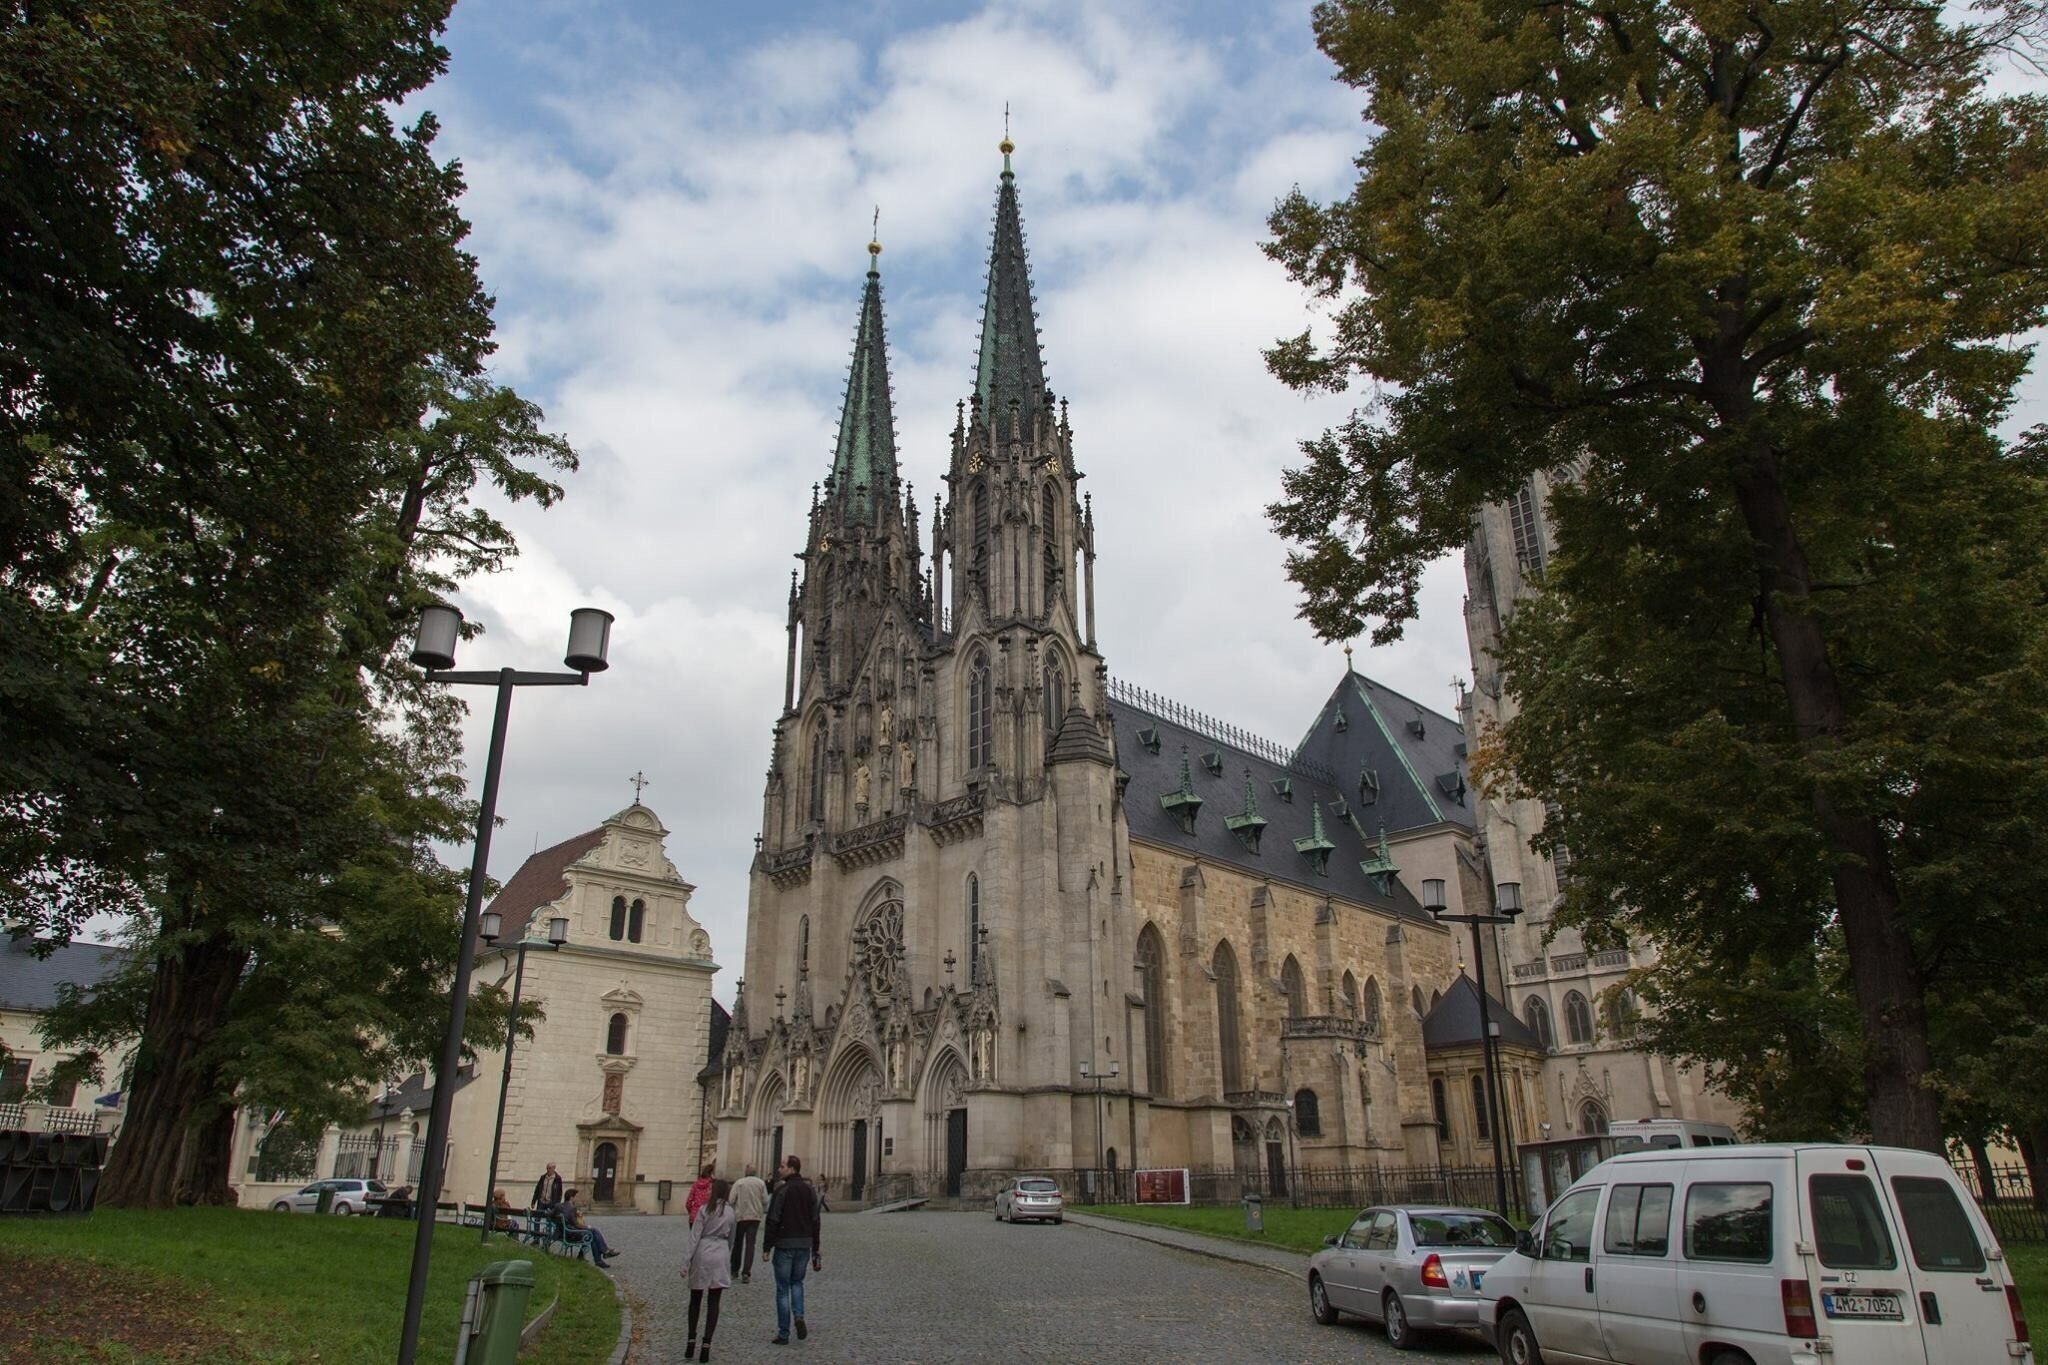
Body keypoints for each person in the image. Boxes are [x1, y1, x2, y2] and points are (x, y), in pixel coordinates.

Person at [762, 1155, 821, 1346]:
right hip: (804, 1243)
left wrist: (767, 1246)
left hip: (785, 1244)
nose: (779, 1169)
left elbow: (773, 1219)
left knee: (782, 1289)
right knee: (797, 1282)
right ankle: (799, 1315)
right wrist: (816, 1246)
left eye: (782, 1166)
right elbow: (815, 1219)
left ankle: (784, 1333)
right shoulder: (809, 1189)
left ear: (792, 1169)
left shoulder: (782, 1190)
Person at [681, 1178, 735, 1362]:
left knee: (695, 1299)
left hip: (703, 1252)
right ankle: (706, 1344)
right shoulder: (730, 1212)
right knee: (714, 1301)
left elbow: (694, 1237)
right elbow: (731, 1238)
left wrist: (685, 1262)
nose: (708, 1192)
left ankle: (690, 1341)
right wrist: (726, 1255)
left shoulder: (705, 1209)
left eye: (710, 1189)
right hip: (720, 1253)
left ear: (716, 1191)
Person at [560, 1188, 619, 1269]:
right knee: (593, 1231)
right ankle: (604, 1253)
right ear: (571, 1197)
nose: (577, 1199)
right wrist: (587, 1227)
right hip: (571, 1233)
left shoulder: (559, 1206)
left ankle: (600, 1259)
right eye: (576, 1197)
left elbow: (550, 1214)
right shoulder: (572, 1208)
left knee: (592, 1234)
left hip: (562, 1232)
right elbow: (576, 1224)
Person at [728, 1165, 769, 1283]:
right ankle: (746, 1272)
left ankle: (734, 1269)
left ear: (746, 1171)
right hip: (755, 1217)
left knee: (738, 1243)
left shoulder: (739, 1182)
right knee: (750, 1244)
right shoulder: (760, 1183)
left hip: (741, 1216)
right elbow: (765, 1200)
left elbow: (731, 1200)